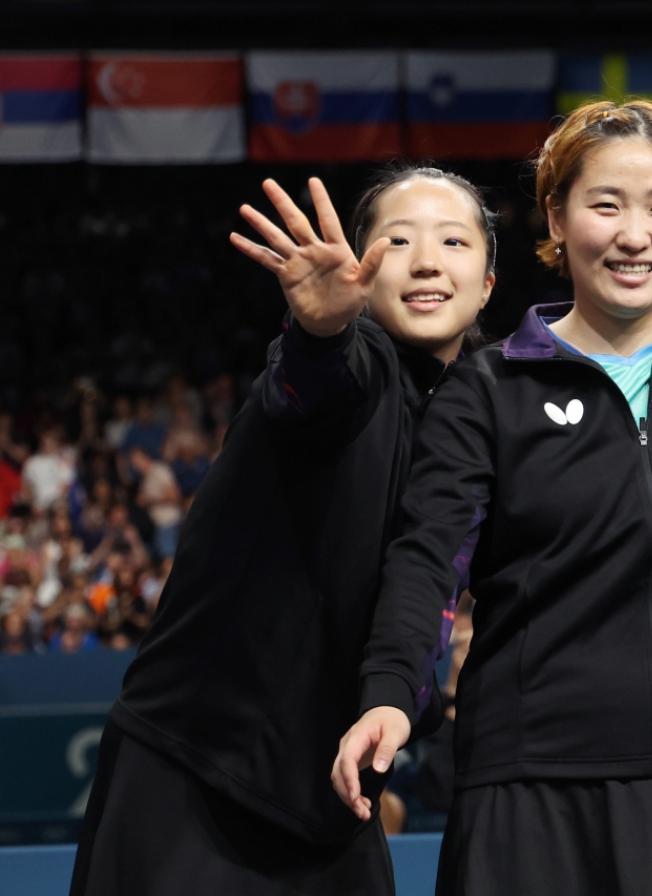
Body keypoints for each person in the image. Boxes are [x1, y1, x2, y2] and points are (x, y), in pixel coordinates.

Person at [333, 99, 652, 896]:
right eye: (605, 205)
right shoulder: (486, 392)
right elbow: (427, 561)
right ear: (556, 216)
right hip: (530, 792)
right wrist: (388, 698)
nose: (635, 235)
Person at [69, 164, 495, 896]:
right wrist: (319, 329)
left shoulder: (478, 421)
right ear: (360, 267)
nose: (427, 259)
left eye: (454, 241)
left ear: (487, 282)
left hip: (332, 796)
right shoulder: (354, 371)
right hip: (196, 774)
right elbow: (312, 385)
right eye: (398, 240)